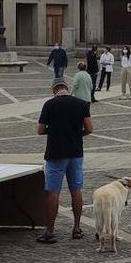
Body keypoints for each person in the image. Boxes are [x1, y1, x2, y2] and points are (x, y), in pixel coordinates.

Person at [36, 79, 92, 244]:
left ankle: (50, 231)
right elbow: (89, 128)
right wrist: (76, 134)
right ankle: (76, 228)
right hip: (76, 153)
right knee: (76, 190)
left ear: (54, 90)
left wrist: (52, 131)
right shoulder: (81, 104)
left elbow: (39, 130)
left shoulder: (49, 104)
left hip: (55, 153)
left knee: (53, 192)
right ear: (67, 88)